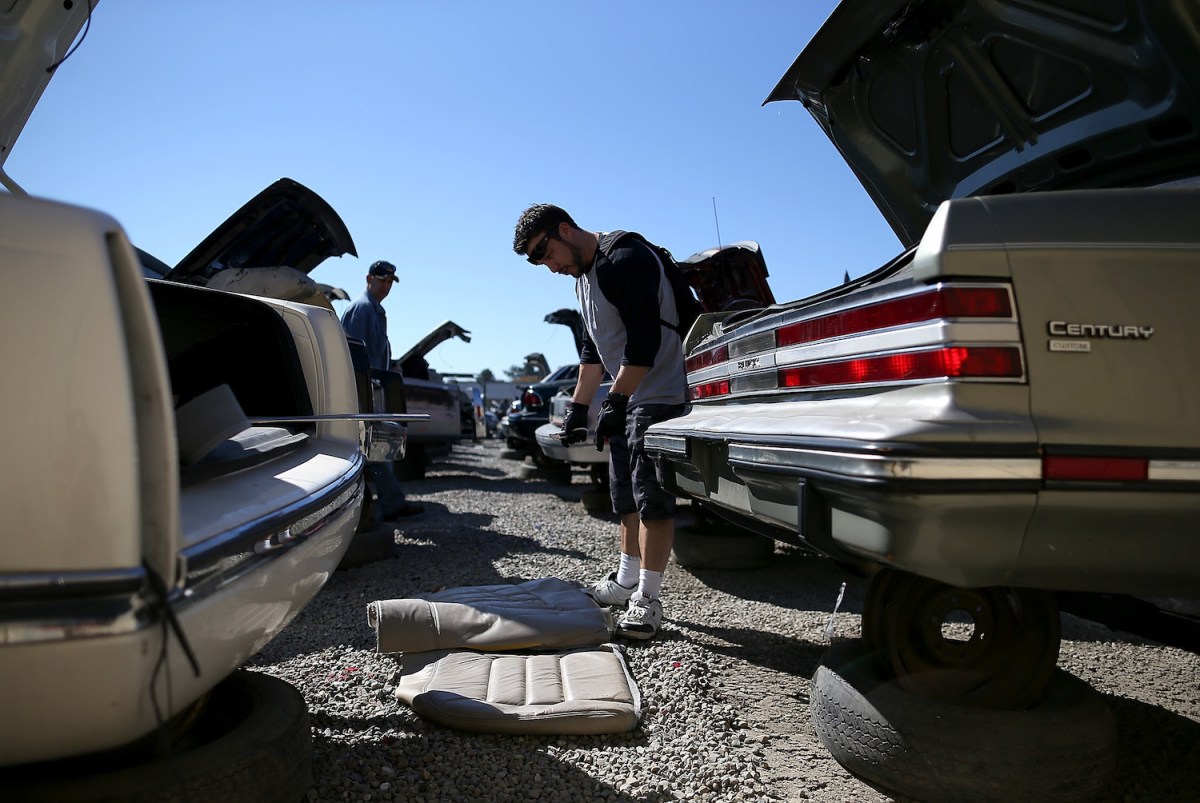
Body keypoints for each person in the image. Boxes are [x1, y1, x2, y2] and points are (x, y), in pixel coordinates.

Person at [512, 204, 688, 640]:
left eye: (546, 253)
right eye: (538, 262)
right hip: (631, 393)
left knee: (651, 497)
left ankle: (648, 597)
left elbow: (644, 341)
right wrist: (578, 407)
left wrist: (617, 400)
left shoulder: (624, 258)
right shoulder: (582, 279)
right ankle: (626, 580)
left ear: (565, 230)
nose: (549, 266)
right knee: (623, 493)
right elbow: (593, 350)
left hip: (662, 391)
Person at [341, 260, 424, 519]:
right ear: (369, 279)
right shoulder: (362, 309)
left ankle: (387, 503)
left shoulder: (373, 310)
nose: (386, 286)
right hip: (364, 392)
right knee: (370, 448)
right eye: (382, 280)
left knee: (377, 449)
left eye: (390, 282)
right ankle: (382, 505)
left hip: (373, 390)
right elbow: (355, 356)